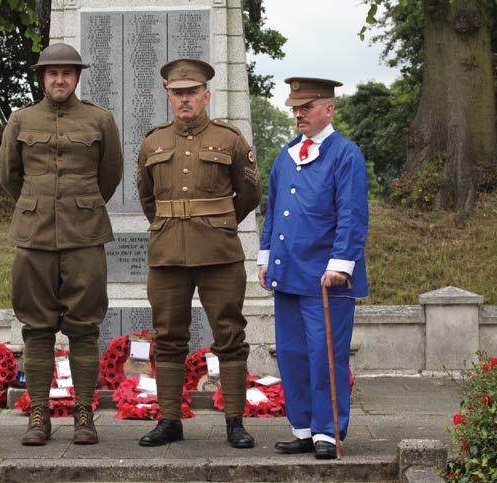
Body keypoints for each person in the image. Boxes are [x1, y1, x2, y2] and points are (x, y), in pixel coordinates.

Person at [0, 43, 123, 446]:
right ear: (42, 78)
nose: (59, 79)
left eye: (67, 73)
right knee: (36, 328)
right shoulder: (21, 119)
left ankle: (84, 413)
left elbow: (110, 175)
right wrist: (36, 205)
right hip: (33, 237)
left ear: (77, 77)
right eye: (52, 73)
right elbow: (9, 176)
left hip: (84, 236)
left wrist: (80, 205)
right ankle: (39, 414)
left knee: (84, 328)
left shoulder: (99, 120)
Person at [136, 58, 262, 448]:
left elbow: (250, 193)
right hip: (167, 254)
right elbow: (147, 198)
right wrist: (171, 225)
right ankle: (169, 420)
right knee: (168, 336)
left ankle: (234, 422)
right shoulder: (153, 142)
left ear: (206, 95)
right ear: (168, 96)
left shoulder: (230, 139)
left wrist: (219, 223)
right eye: (178, 93)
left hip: (219, 253)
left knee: (230, 334)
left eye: (192, 92)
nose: (185, 99)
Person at [257, 77, 369, 460]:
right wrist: (266, 256)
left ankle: (328, 431)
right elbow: (273, 211)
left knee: (325, 356)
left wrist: (341, 264)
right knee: (292, 354)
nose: (299, 114)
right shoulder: (287, 154)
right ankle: (303, 429)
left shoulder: (346, 154)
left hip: (326, 278)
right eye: (295, 108)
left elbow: (352, 215)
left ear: (329, 109)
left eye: (306, 107)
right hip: (288, 273)